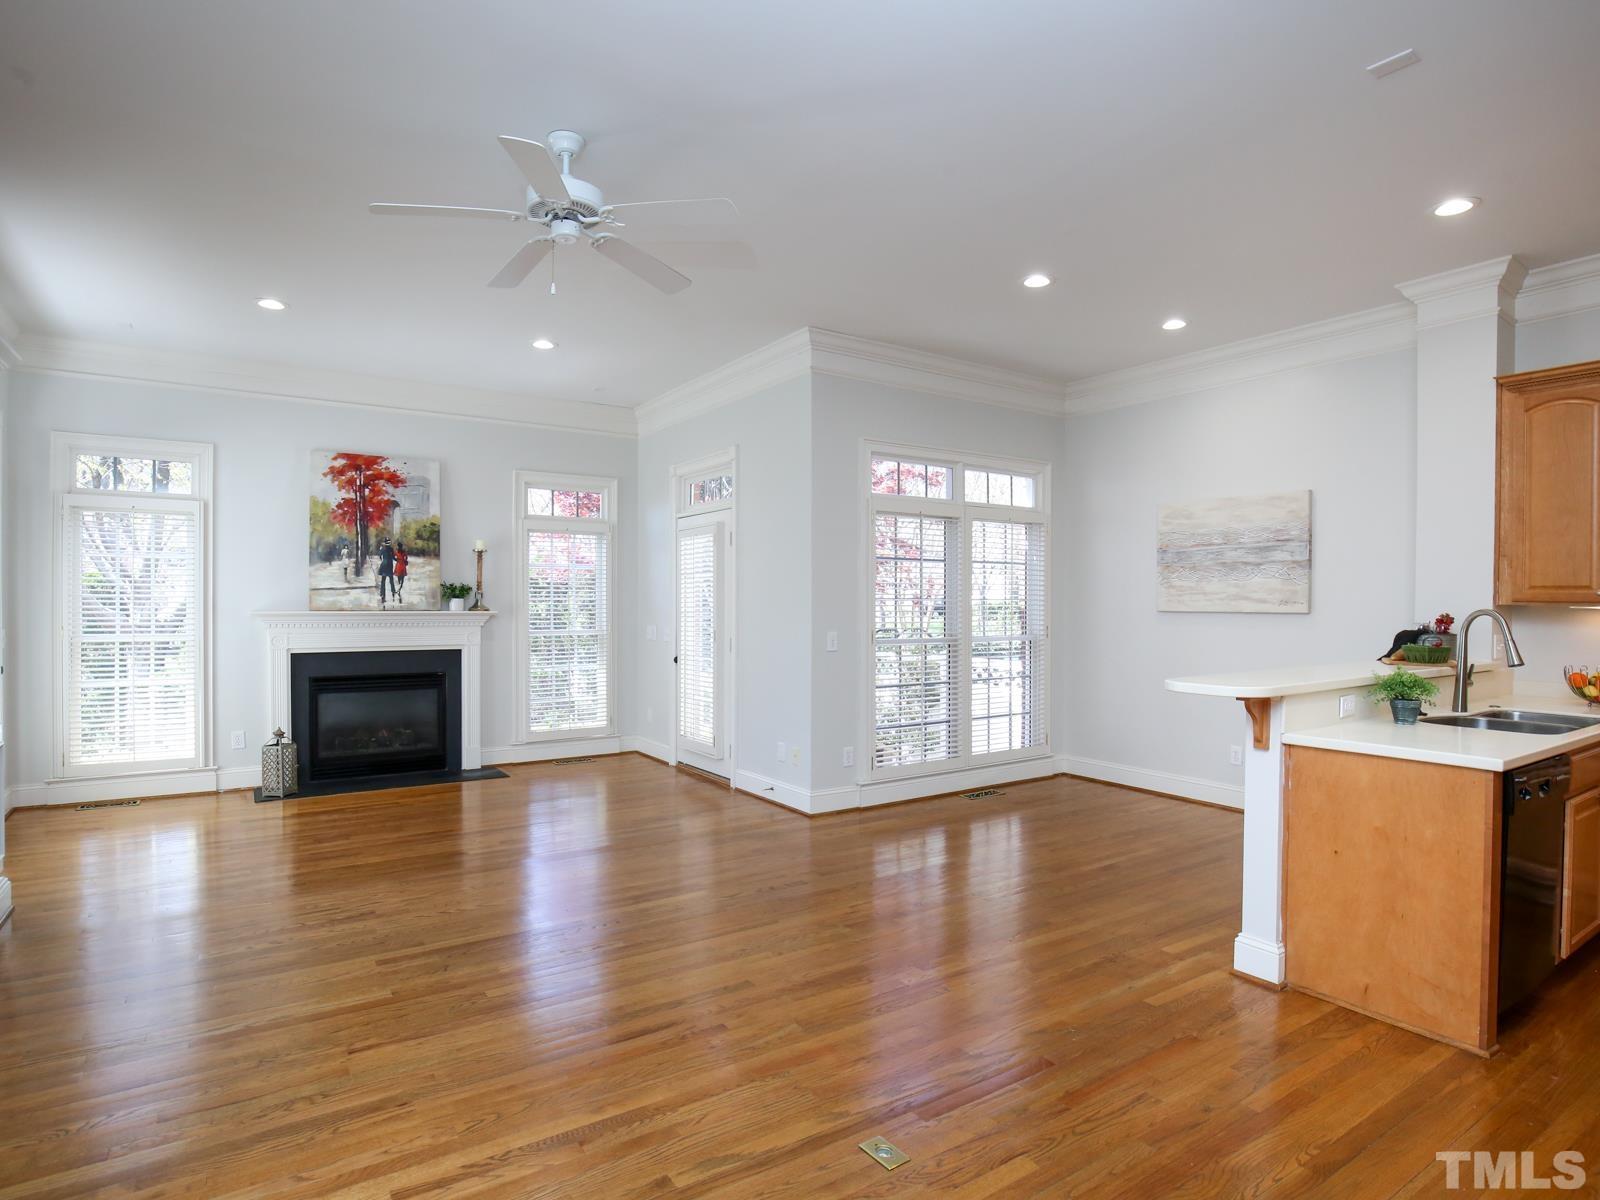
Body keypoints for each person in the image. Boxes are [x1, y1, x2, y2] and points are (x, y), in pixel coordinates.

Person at [376, 538, 395, 605]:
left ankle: (382, 594)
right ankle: (393, 592)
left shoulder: (383, 549)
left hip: (384, 565)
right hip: (389, 565)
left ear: (385, 543)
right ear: (389, 543)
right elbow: (393, 558)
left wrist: (380, 550)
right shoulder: (391, 549)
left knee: (383, 581)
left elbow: (379, 555)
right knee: (391, 580)